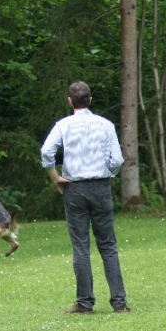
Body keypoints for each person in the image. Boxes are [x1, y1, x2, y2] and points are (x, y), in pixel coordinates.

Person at [40, 81, 130, 314]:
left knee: (80, 247)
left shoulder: (63, 125)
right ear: (90, 100)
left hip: (74, 189)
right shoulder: (106, 125)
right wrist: (107, 173)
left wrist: (55, 177)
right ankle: (119, 302)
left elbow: (46, 151)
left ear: (70, 101)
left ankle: (85, 302)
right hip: (100, 187)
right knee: (108, 245)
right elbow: (118, 160)